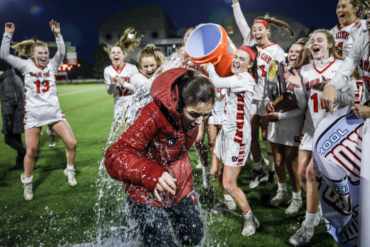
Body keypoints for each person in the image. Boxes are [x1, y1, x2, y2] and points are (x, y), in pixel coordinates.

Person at [105, 68, 215, 247]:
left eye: (206, 115)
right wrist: (152, 174)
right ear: (178, 103)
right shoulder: (154, 114)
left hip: (180, 186)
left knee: (193, 238)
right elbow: (115, 155)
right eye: (195, 115)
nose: (200, 122)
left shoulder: (194, 115)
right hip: (144, 192)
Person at [284, 30, 354, 246]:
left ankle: (308, 228)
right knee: (301, 175)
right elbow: (304, 105)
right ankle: (321, 210)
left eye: (319, 40)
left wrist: (332, 90)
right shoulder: (304, 70)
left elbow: (351, 100)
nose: (314, 43)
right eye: (312, 41)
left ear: (330, 44)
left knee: (310, 174)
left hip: (331, 129)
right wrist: (297, 87)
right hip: (310, 128)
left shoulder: (341, 68)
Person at [1, 21, 77, 200]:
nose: (44, 55)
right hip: (34, 115)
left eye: (46, 53)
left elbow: (62, 52)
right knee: (31, 151)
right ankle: (27, 184)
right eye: (40, 53)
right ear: (32, 55)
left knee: (72, 143)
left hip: (54, 114)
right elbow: (4, 54)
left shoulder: (52, 65)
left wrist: (58, 35)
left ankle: (70, 170)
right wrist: (7, 35)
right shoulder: (26, 66)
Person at [232, 0, 295, 189]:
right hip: (250, 96)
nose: (256, 32)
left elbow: (278, 79)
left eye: (260, 29)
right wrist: (235, 4)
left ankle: (271, 173)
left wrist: (275, 100)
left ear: (267, 31)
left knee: (267, 135)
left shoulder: (277, 51)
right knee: (249, 134)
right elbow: (241, 23)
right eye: (254, 29)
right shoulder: (250, 42)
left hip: (267, 98)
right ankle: (258, 169)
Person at [201, 45, 259, 236]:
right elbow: (219, 91)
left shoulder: (244, 79)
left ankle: (250, 219)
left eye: (242, 59)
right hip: (226, 132)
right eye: (235, 56)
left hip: (238, 137)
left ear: (250, 65)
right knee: (214, 171)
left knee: (229, 184)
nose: (236, 60)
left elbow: (216, 80)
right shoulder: (236, 79)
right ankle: (229, 202)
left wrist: (208, 66)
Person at [265, 39, 310, 214]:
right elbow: (273, 92)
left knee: (292, 164)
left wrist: (281, 115)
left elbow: (303, 107)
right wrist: (271, 103)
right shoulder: (281, 69)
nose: (293, 54)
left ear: (305, 55)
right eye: (291, 50)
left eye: (298, 51)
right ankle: (281, 191)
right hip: (277, 123)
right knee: (277, 161)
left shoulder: (306, 74)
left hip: (293, 123)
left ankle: (297, 199)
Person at [103, 27, 140, 119]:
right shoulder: (107, 70)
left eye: (118, 52)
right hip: (118, 105)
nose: (116, 54)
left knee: (129, 129)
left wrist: (123, 83)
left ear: (123, 55)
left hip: (133, 104)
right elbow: (109, 92)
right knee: (120, 131)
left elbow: (137, 90)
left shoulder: (132, 68)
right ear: (110, 56)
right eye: (113, 52)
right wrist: (112, 84)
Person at [0, 65, 26, 171]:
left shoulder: (7, 80)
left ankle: (30, 156)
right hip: (18, 114)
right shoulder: (15, 77)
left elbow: (11, 101)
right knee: (17, 139)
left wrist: (7, 118)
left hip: (13, 115)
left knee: (8, 139)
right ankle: (20, 164)